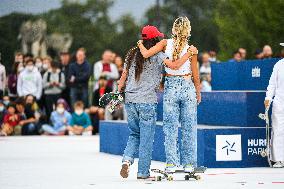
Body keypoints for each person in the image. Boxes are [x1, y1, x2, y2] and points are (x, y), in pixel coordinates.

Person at [118, 24, 195, 180]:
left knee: (134, 134)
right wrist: (189, 54)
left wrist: (119, 93)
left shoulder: (131, 53)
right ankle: (143, 173)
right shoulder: (159, 55)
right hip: (147, 102)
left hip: (130, 100)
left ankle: (126, 161)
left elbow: (123, 78)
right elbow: (174, 65)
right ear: (155, 39)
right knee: (146, 139)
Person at [137, 17, 200, 174]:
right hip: (187, 86)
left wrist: (139, 43)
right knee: (189, 127)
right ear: (188, 30)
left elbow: (146, 54)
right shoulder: (192, 49)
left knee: (170, 127)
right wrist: (198, 91)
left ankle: (171, 164)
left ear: (173, 29)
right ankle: (189, 164)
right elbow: (195, 73)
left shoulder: (165, 43)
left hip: (171, 86)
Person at [264, 45, 284, 168]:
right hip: (280, 101)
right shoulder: (278, 65)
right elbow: (272, 83)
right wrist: (268, 98)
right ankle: (278, 159)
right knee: (278, 129)